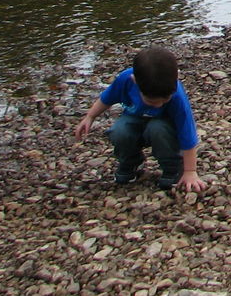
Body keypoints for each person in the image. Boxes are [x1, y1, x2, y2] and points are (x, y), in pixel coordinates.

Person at [74, 46, 208, 192]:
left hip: (164, 127)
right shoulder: (125, 80)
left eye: (165, 100)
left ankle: (173, 167)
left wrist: (190, 172)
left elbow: (187, 133)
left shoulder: (177, 95)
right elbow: (106, 99)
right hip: (134, 120)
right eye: (152, 101)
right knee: (119, 130)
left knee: (158, 129)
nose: (159, 104)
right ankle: (131, 162)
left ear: (177, 77)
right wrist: (90, 117)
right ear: (135, 81)